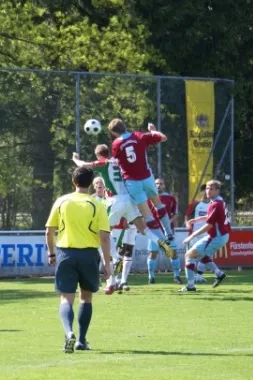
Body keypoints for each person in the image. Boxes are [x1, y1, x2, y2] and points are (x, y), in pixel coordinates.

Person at [72, 145, 173, 293]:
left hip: (115, 201)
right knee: (142, 228)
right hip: (130, 200)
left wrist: (75, 159)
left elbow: (84, 166)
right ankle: (160, 241)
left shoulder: (104, 164)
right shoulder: (121, 163)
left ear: (99, 155)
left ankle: (113, 275)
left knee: (103, 235)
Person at [45, 166, 111, 353]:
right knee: (86, 298)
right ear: (91, 184)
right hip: (89, 254)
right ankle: (81, 340)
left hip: (66, 254)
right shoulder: (97, 204)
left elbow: (49, 230)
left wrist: (51, 253)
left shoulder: (62, 201)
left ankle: (68, 333)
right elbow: (105, 237)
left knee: (66, 299)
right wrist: (107, 263)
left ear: (73, 181)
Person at [108, 119, 175, 241]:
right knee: (158, 204)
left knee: (147, 214)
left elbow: (117, 162)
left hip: (132, 181)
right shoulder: (139, 136)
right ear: (125, 126)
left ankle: (163, 242)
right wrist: (153, 131)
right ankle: (169, 232)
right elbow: (163, 138)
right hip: (147, 177)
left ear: (114, 133)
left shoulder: (116, 144)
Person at [179, 180, 230, 292]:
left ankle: (190, 286)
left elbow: (209, 225)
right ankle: (219, 274)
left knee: (189, 255)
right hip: (220, 235)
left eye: (211, 189)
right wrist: (198, 219)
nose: (208, 191)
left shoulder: (216, 203)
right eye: (207, 188)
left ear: (217, 190)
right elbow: (212, 217)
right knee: (202, 256)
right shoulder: (218, 201)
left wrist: (191, 236)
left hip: (216, 236)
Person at [146, 178, 182, 284]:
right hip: (154, 231)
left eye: (160, 184)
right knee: (153, 254)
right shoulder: (149, 199)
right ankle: (151, 277)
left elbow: (175, 214)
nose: (158, 186)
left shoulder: (170, 198)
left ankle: (176, 275)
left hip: (168, 233)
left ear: (164, 186)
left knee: (173, 253)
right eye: (156, 184)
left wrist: (169, 222)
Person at [185, 184, 211, 283]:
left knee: (204, 256)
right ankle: (190, 278)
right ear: (201, 192)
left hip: (207, 234)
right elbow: (187, 216)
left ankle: (199, 276)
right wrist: (188, 224)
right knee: (191, 256)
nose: (206, 192)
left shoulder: (213, 204)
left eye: (208, 189)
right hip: (194, 235)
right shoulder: (195, 204)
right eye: (204, 190)